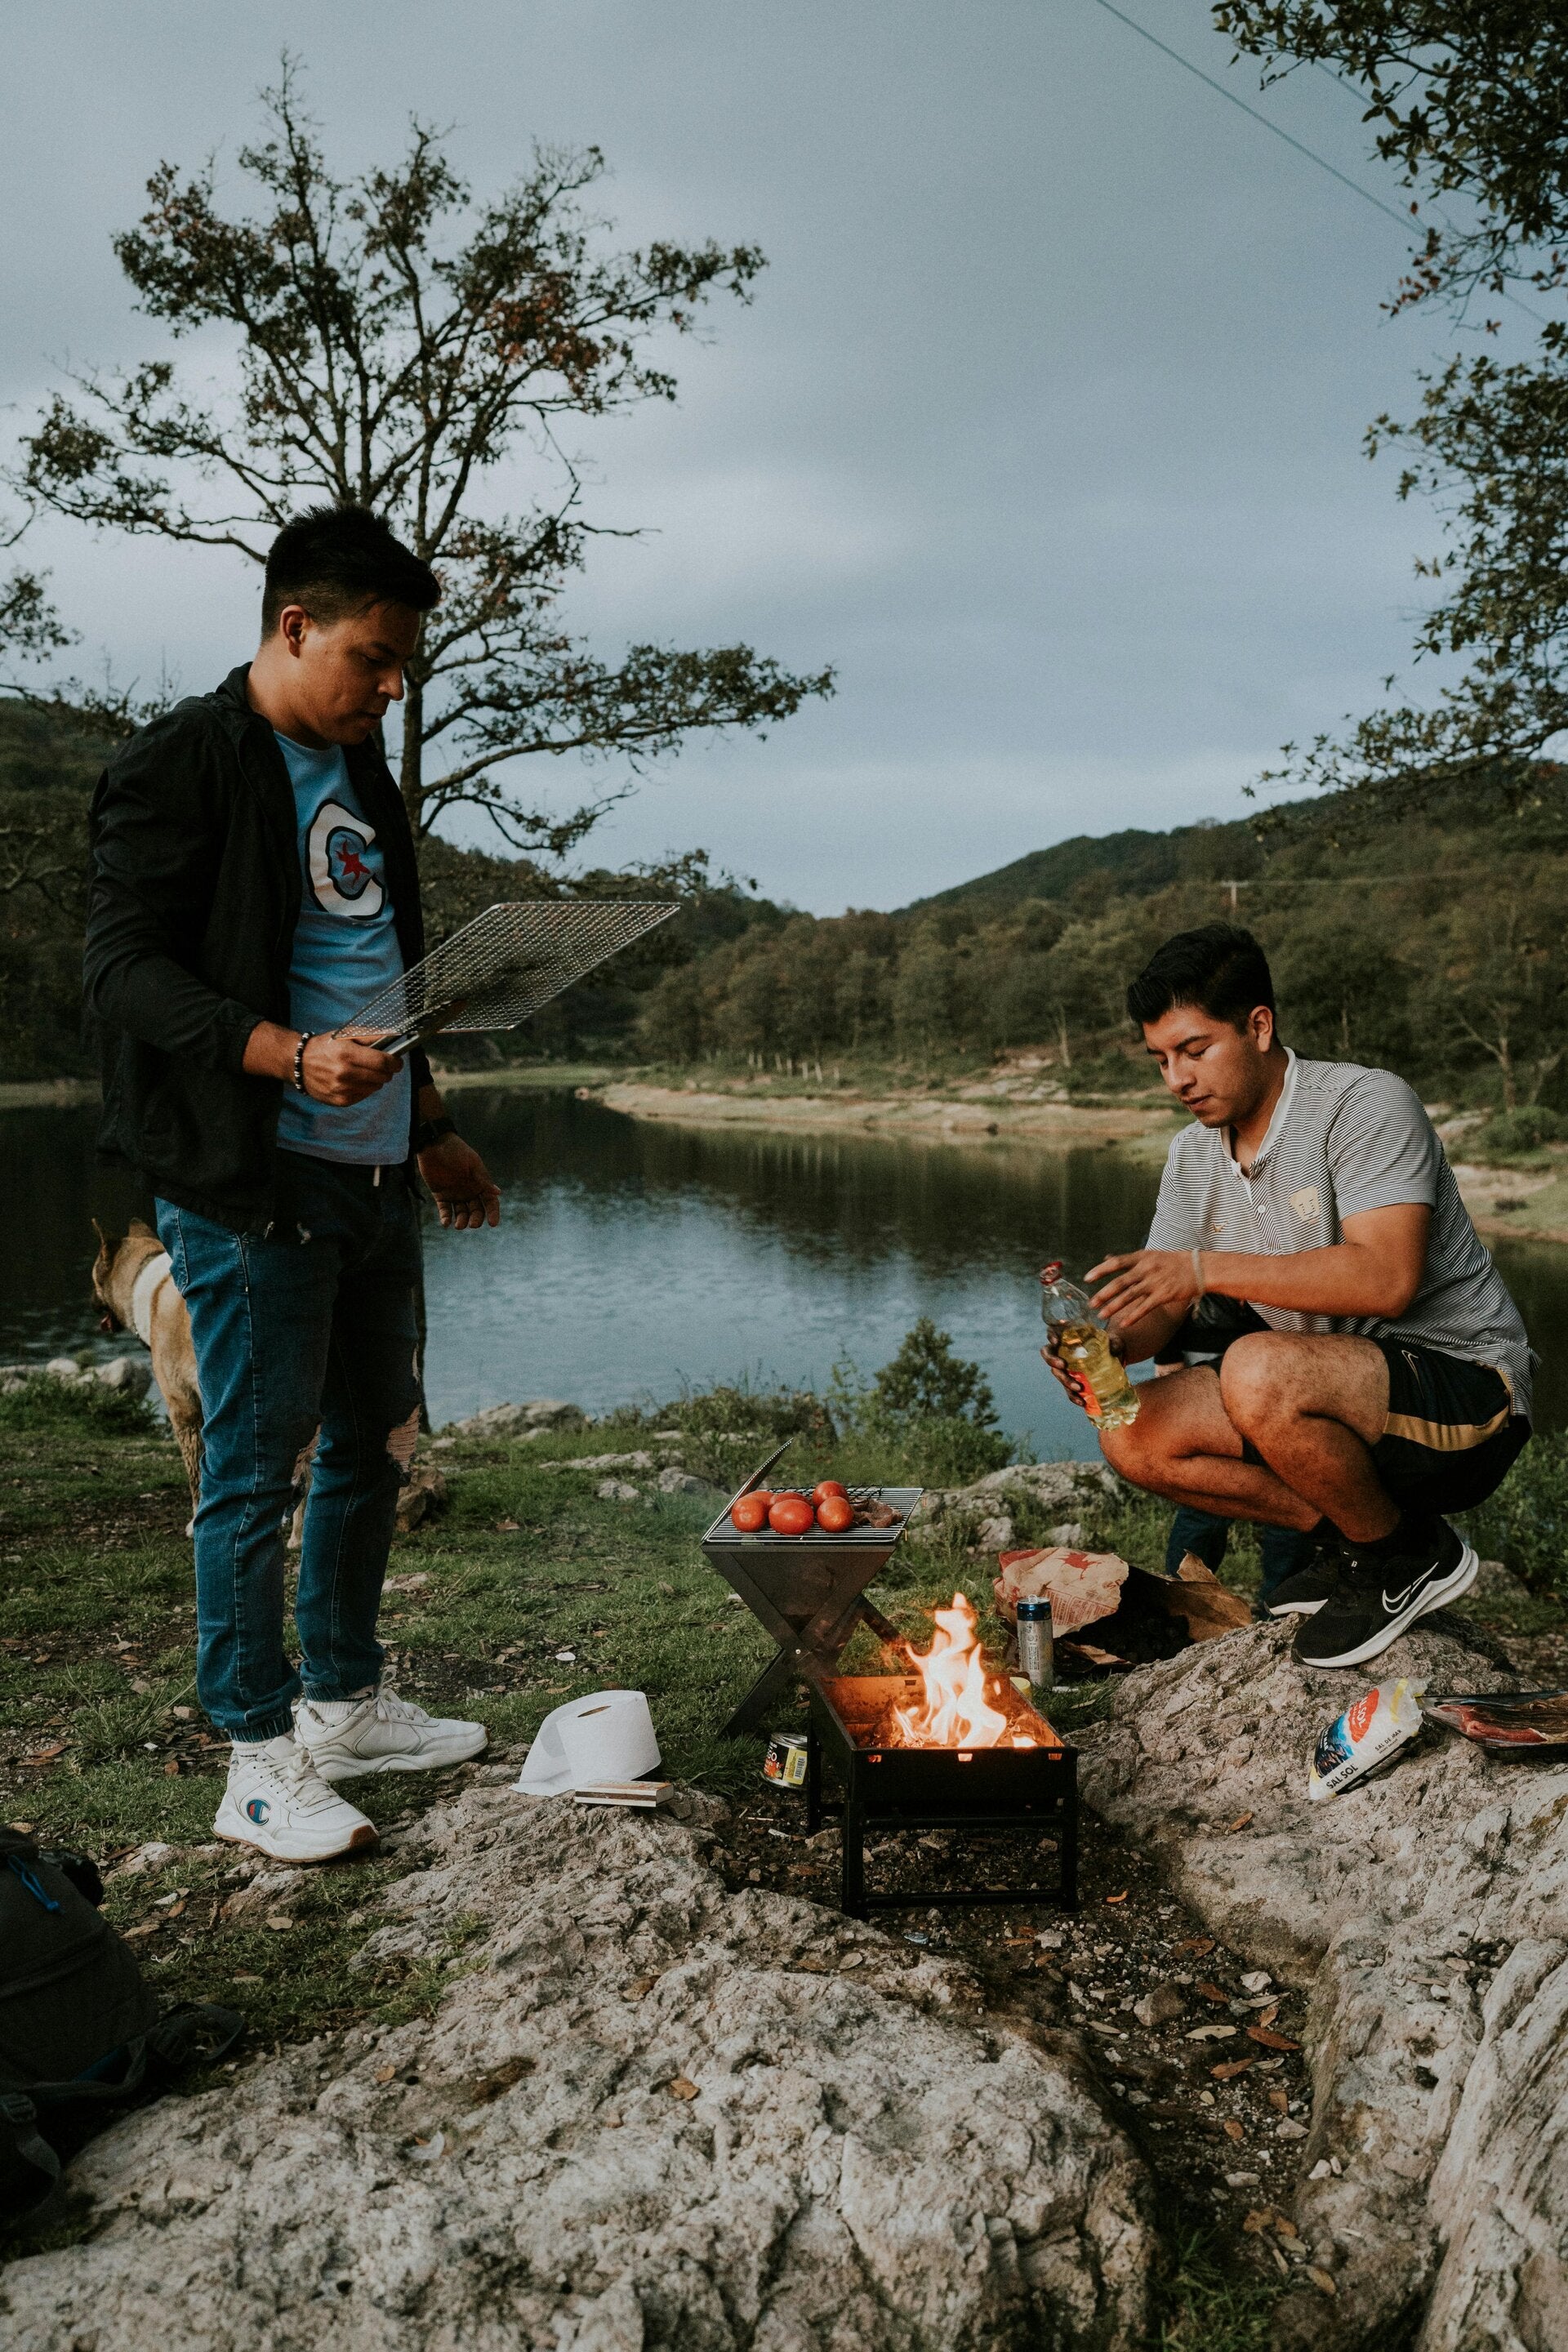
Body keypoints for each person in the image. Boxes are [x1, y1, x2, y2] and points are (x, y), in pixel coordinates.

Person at [85, 506, 502, 1863]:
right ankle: (257, 1760)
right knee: (253, 1471)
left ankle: (344, 1702)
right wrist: (286, 1054)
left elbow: (382, 973)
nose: (392, 688)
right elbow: (123, 970)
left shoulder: (363, 774)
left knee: (376, 1443)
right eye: (375, 659)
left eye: (403, 666)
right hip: (253, 1181)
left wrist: (430, 1124)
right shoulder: (183, 762)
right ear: (294, 625)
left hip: (374, 1172)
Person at [1045, 924, 1531, 1671]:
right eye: (1161, 1059)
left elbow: (1386, 1279)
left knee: (1254, 1365)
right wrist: (1112, 1348)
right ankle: (1357, 1540)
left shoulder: (1363, 1103)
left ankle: (1405, 1555)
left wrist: (1202, 1269)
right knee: (1129, 1431)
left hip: (1466, 1393)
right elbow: (1163, 1306)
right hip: (1325, 1397)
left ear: (1259, 1026)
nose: (1176, 1079)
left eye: (1195, 1049)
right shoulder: (1191, 1154)